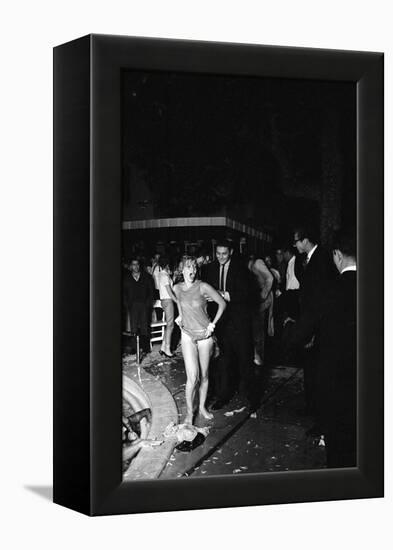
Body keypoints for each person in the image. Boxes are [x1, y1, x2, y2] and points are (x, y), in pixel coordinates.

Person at [286, 230, 357, 467]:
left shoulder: (331, 290)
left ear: (337, 255)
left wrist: (291, 331)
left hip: (336, 377)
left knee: (339, 446)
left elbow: (300, 334)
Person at [291, 225, 337, 422]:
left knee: (319, 373)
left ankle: (320, 417)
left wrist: (313, 332)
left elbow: (321, 299)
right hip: (309, 324)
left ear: (305, 240)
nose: (294, 245)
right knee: (310, 369)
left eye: (296, 241)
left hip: (318, 327)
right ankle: (311, 408)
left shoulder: (323, 258)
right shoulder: (306, 259)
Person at [173, 256, 226, 425]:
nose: (193, 271)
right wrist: (180, 315)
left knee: (204, 375)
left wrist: (212, 325)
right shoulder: (176, 288)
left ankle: (202, 407)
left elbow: (222, 303)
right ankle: (190, 413)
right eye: (189, 267)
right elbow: (180, 303)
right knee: (192, 377)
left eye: (195, 268)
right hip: (187, 335)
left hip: (204, 336)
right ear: (182, 270)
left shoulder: (203, 286)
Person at [204, 240, 255, 410]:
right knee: (223, 363)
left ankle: (252, 398)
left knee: (244, 361)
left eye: (224, 254)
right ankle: (223, 396)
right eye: (218, 253)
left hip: (239, 323)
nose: (220, 257)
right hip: (221, 323)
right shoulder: (210, 268)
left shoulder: (241, 269)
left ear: (231, 252)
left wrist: (224, 295)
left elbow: (248, 295)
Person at [123, 258, 154, 356]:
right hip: (133, 306)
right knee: (134, 327)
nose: (135, 266)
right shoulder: (127, 278)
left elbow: (151, 292)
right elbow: (124, 294)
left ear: (139, 265)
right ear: (131, 266)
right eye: (133, 264)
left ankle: (145, 348)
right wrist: (128, 305)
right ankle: (134, 348)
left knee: (145, 327)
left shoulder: (147, 277)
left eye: (137, 264)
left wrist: (148, 304)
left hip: (144, 305)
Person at [248, 256, 274, 367]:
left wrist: (263, 295)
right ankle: (257, 359)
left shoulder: (258, 263)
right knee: (255, 331)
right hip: (255, 302)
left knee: (258, 332)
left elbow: (270, 278)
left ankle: (260, 361)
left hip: (262, 302)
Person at [157, 256, 176, 357]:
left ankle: (163, 347)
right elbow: (170, 292)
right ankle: (167, 350)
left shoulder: (162, 274)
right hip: (168, 300)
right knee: (171, 325)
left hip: (164, 300)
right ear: (168, 265)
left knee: (169, 325)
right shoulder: (165, 276)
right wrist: (177, 301)